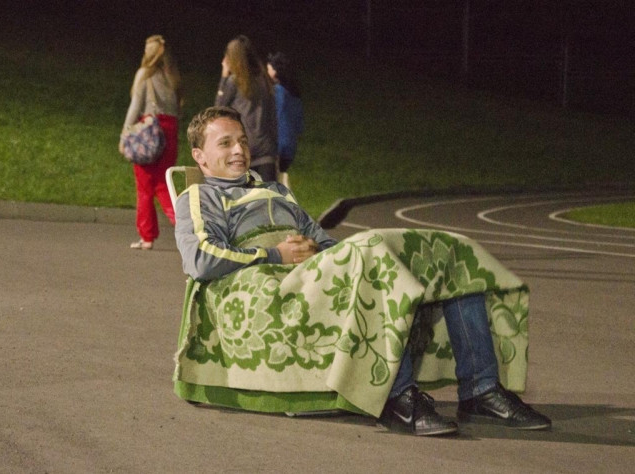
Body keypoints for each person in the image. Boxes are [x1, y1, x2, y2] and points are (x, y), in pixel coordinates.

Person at [174, 106, 552, 437]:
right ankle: (397, 398)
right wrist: (276, 254)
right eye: (225, 143)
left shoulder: (277, 192)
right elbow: (200, 259)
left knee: (447, 250)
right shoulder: (201, 196)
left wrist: (323, 254)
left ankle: (481, 391)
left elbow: (324, 240)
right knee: (371, 250)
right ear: (200, 157)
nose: (239, 150)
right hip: (268, 286)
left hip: (311, 273)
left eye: (242, 141)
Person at [120, 34, 182, 250]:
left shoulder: (144, 74)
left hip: (150, 134)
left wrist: (125, 134)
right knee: (164, 183)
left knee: (145, 186)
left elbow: (135, 106)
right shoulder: (172, 77)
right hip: (170, 132)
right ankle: (186, 224)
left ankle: (148, 236)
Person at [214, 35, 278, 182]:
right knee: (267, 195)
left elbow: (217, 110)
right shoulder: (264, 80)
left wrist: (224, 76)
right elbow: (273, 116)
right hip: (266, 151)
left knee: (243, 196)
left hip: (243, 151)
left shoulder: (234, 81)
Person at [267, 52, 304, 188]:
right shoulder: (294, 94)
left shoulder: (277, 92)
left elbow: (271, 117)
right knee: (279, 177)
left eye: (268, 69)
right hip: (290, 148)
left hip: (277, 146)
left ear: (275, 72)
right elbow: (299, 127)